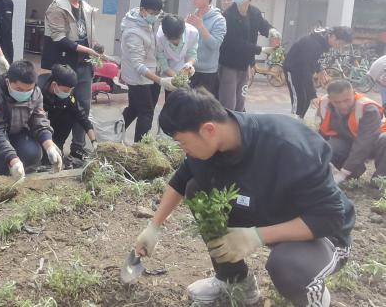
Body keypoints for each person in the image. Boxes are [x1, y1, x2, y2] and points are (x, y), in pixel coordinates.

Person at [134, 87, 355, 307]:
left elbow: (329, 218)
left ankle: (313, 299)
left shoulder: (289, 145)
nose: (183, 149)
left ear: (208, 129)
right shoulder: (213, 143)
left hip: (322, 233)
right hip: (267, 214)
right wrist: (154, 227)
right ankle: (234, 280)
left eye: (182, 142)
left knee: (288, 266)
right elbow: (181, 181)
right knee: (197, 189)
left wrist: (256, 236)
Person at [41, 0, 101, 160]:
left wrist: (95, 48)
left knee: (83, 107)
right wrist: (87, 50)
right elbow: (59, 38)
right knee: (60, 107)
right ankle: (49, 145)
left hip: (84, 65)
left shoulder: (86, 7)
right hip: (65, 66)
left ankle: (78, 146)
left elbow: (86, 36)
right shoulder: (57, 7)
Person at [0, 60, 63, 173]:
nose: (24, 93)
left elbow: (39, 119)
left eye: (29, 90)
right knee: (1, 162)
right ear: (8, 82)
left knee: (33, 153)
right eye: (19, 89)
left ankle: (21, 171)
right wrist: (13, 159)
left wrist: (50, 147)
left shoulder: (36, 92)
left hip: (17, 132)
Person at [120, 0, 175, 142]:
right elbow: (138, 65)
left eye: (158, 13)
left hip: (151, 73)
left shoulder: (147, 21)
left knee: (134, 109)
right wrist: (161, 80)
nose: (155, 16)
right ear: (142, 10)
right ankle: (141, 147)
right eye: (152, 13)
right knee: (147, 112)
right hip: (138, 77)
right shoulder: (133, 32)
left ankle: (114, 133)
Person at [218, 0, 280, 111]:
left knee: (241, 101)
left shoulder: (254, 12)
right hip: (229, 65)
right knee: (229, 102)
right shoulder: (228, 15)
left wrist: (272, 31)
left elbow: (264, 26)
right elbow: (233, 42)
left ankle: (239, 123)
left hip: (245, 65)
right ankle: (226, 123)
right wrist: (261, 49)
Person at [316, 79, 386, 184]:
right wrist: (320, 158)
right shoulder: (324, 104)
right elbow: (322, 134)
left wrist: (343, 173)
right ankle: (354, 174)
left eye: (347, 100)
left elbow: (364, 144)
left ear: (354, 94)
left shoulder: (368, 109)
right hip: (349, 140)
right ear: (330, 99)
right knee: (329, 146)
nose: (343, 105)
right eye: (337, 102)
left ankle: (380, 180)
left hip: (374, 142)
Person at [283, 27, 353, 118]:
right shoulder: (313, 44)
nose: (340, 47)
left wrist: (319, 70)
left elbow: (314, 59)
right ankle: (293, 122)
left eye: (343, 45)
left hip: (303, 67)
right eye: (340, 43)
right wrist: (313, 95)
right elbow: (306, 69)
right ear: (333, 37)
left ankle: (299, 120)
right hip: (293, 69)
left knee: (306, 99)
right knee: (300, 98)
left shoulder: (323, 40)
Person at [38, 64, 98, 169]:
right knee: (38, 156)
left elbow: (82, 117)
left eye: (70, 90)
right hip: (39, 129)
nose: (68, 93)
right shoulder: (38, 90)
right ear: (54, 84)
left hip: (56, 123)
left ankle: (58, 144)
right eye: (66, 91)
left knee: (70, 114)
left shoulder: (68, 96)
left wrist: (94, 141)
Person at [185, 0, 227, 97]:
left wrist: (201, 26)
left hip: (206, 72)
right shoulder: (192, 15)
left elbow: (215, 45)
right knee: (186, 102)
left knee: (203, 104)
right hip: (188, 68)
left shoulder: (219, 20)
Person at [156, 14, 198, 100]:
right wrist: (176, 78)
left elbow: (192, 52)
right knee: (170, 98)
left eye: (178, 38)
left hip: (183, 66)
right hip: (167, 67)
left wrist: (189, 64)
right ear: (165, 35)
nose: (176, 42)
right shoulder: (159, 36)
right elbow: (161, 59)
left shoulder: (193, 33)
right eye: (172, 39)